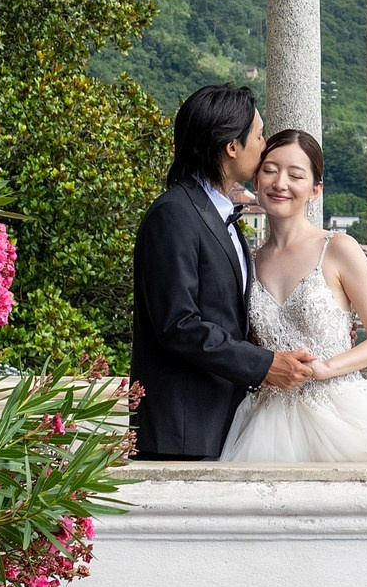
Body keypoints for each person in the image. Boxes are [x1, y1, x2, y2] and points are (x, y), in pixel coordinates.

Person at [219, 128, 367, 464]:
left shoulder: (338, 249)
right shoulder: (248, 260)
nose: (280, 183)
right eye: (270, 170)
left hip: (339, 409)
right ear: (256, 180)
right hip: (267, 417)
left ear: (315, 190)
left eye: (295, 175)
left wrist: (329, 368)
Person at [130, 85, 316, 460]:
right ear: (232, 146)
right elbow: (178, 324)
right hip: (182, 429)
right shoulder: (174, 214)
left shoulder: (217, 213)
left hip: (225, 421)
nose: (264, 146)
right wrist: (264, 366)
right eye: (259, 135)